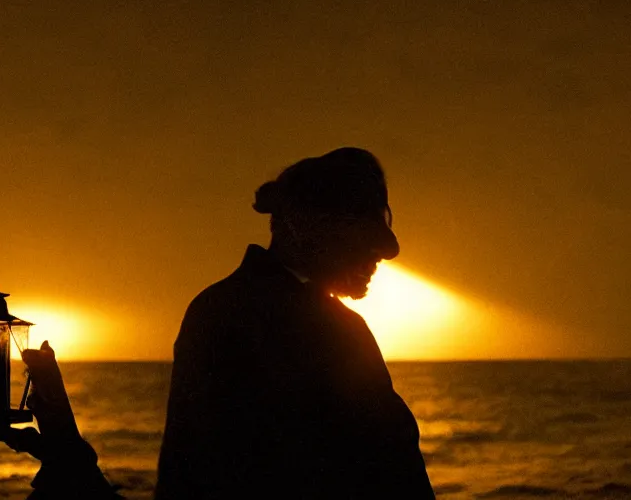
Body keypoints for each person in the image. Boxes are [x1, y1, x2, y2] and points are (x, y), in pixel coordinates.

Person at [154, 147, 435, 499]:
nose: (378, 255)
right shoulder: (333, 329)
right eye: (359, 236)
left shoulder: (215, 309)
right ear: (310, 230)